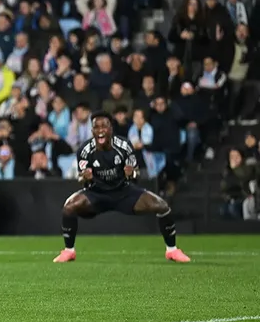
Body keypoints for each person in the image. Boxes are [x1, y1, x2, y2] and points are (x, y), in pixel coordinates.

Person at [53, 111, 191, 263]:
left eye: (104, 126)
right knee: (69, 207)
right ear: (92, 131)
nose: (100, 131)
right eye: (96, 127)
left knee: (162, 206)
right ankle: (69, 251)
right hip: (97, 194)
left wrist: (132, 174)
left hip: (123, 192)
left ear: (111, 128)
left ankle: (172, 250)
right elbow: (82, 179)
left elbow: (136, 175)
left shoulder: (124, 146)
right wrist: (84, 177)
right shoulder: (85, 150)